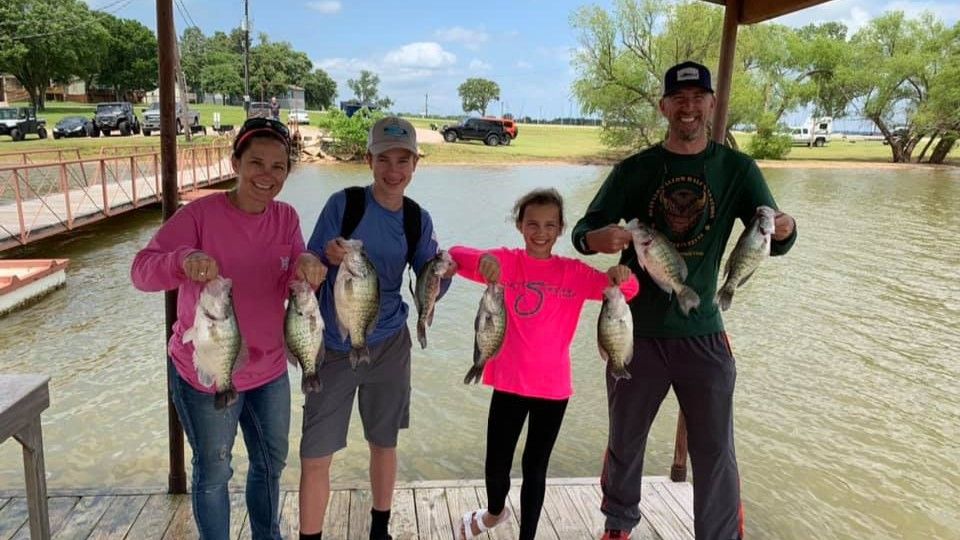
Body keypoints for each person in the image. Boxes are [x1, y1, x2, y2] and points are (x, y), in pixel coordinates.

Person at [571, 61, 797, 540]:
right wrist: (597, 239)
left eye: (698, 98)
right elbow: (582, 231)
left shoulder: (737, 169)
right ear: (664, 107)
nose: (688, 107)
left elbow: (772, 238)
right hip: (635, 332)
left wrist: (787, 228)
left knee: (716, 451)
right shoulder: (635, 169)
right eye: (679, 98)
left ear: (711, 105)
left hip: (704, 334)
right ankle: (618, 525)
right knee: (625, 440)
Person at [131, 117, 327, 540]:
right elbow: (141, 272)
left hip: (270, 370)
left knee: (271, 464)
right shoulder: (198, 216)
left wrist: (307, 265)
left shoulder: (286, 217)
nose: (267, 175)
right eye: (256, 162)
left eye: (278, 166)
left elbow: (291, 272)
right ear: (235, 162)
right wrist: (182, 260)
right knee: (214, 471)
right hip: (206, 371)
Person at [449, 188, 639, 540]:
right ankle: (494, 512)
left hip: (553, 390)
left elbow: (628, 292)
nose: (541, 232)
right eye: (532, 224)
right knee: (496, 463)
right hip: (508, 383)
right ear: (520, 225)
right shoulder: (505, 263)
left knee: (535, 468)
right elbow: (456, 255)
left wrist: (622, 276)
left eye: (550, 225)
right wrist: (484, 261)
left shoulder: (573, 272)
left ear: (561, 228)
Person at [298, 116, 454, 540]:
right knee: (316, 453)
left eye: (403, 160)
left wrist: (442, 274)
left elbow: (428, 277)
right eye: (384, 159)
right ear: (369, 160)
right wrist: (326, 256)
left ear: (415, 164)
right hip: (334, 345)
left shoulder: (417, 219)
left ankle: (380, 528)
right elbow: (309, 264)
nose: (393, 170)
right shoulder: (343, 204)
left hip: (390, 344)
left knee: (384, 443)